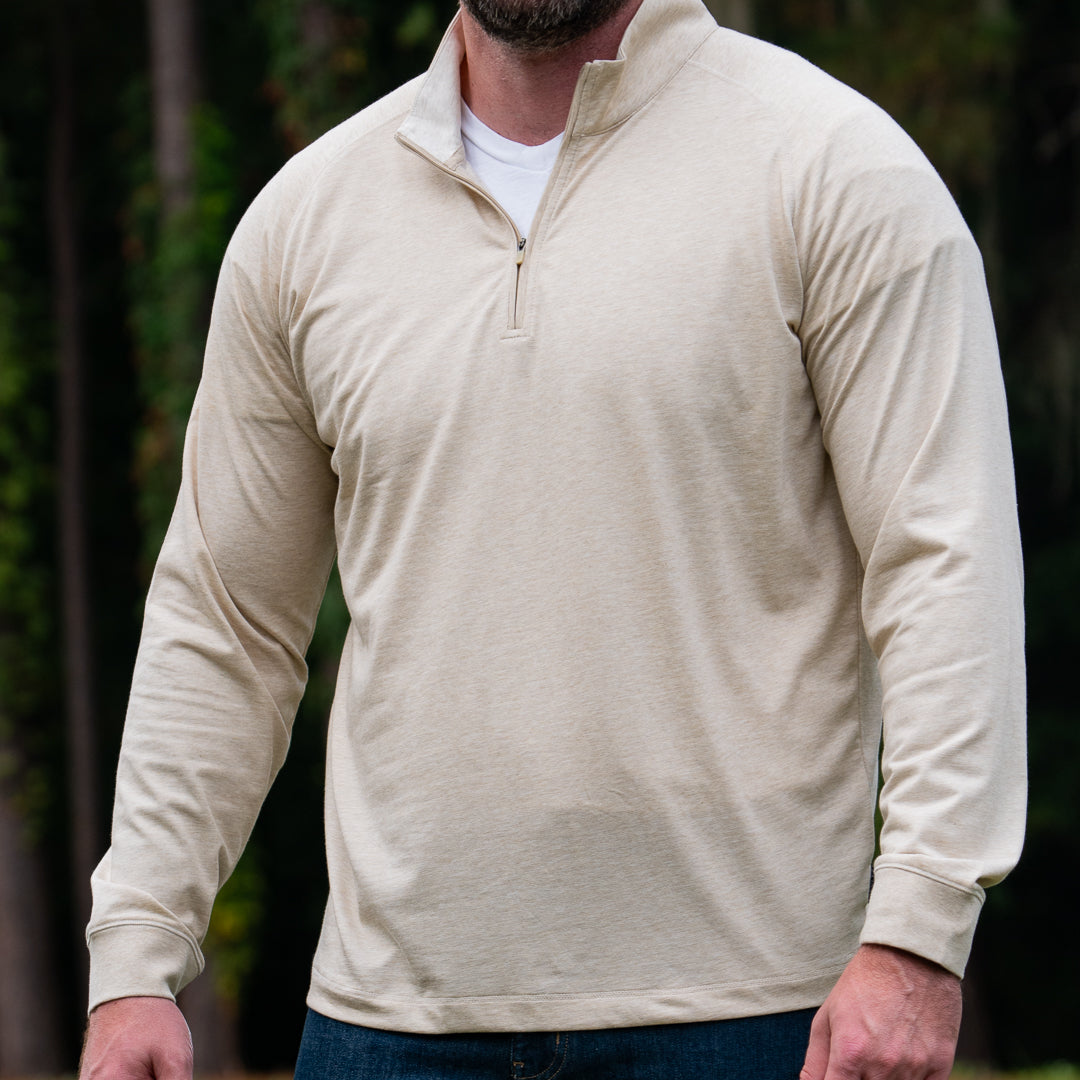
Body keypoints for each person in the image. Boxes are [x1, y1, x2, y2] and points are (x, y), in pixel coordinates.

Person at [79, 0, 1027, 1077]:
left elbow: (943, 562)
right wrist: (137, 949)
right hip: (388, 1025)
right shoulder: (305, 220)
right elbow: (226, 619)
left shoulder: (837, 170)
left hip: (755, 1017)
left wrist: (918, 932)